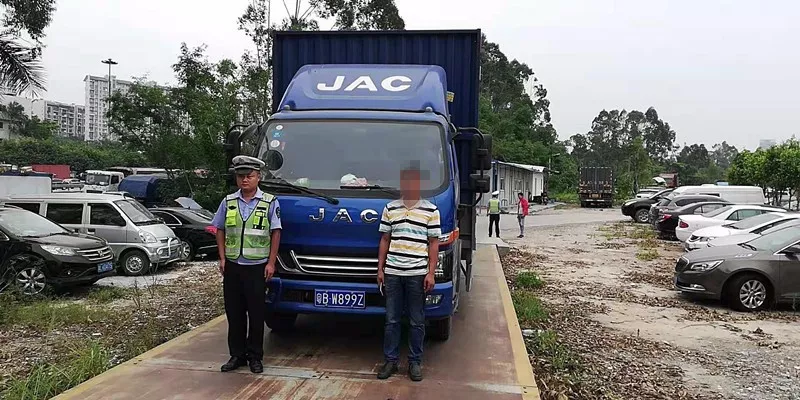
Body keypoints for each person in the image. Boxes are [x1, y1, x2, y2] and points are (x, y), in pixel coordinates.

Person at [211, 155, 281, 374]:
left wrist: (271, 263)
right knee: (234, 313)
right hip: (233, 266)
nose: (244, 180)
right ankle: (237, 355)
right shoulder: (228, 201)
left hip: (257, 267)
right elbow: (219, 229)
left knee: (257, 313)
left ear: (258, 177)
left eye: (249, 176)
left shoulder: (269, 202)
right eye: (240, 176)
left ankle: (255, 357)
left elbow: (275, 232)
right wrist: (222, 258)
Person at [376, 167, 440, 382]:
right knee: (391, 320)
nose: (409, 186)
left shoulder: (431, 211)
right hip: (393, 273)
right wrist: (380, 269)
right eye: (406, 182)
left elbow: (433, 244)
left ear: (419, 185)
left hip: (417, 274)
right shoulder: (390, 208)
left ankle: (415, 362)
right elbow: (385, 239)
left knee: (416, 320)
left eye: (413, 182)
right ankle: (390, 361)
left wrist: (431, 273)